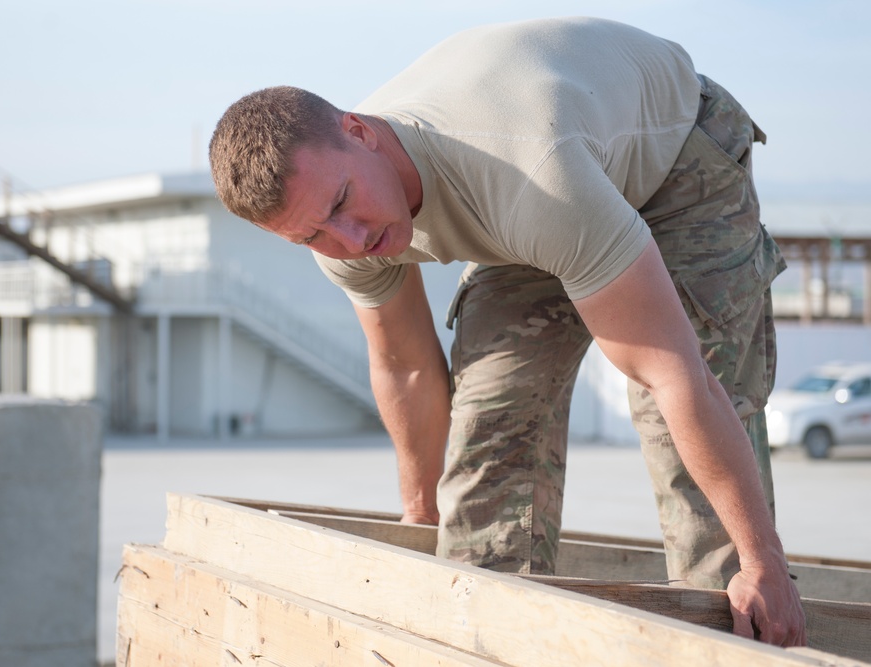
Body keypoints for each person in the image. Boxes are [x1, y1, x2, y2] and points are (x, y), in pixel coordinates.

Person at [208, 16, 805, 645]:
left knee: (676, 421)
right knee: (491, 415)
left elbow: (674, 377)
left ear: (359, 132)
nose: (350, 242)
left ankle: (736, 633)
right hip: (540, 192)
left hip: (674, 158)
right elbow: (405, 364)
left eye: (340, 206)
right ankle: (484, 643)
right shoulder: (339, 233)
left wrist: (762, 560)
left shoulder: (532, 179)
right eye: (313, 236)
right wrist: (420, 514)